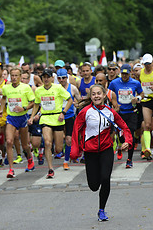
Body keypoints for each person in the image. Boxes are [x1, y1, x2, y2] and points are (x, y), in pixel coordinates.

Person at [70, 84, 132, 222]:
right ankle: (97, 188)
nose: (96, 96)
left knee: (105, 178)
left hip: (106, 149)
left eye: (99, 93)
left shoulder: (110, 112)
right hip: (90, 152)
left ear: (104, 95)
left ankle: (102, 210)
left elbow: (123, 127)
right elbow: (76, 132)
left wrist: (127, 140)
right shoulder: (84, 112)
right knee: (93, 186)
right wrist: (75, 151)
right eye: (94, 94)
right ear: (91, 96)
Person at [28, 69, 73, 178]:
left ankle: (57, 150)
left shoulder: (58, 88)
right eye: (44, 77)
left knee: (58, 148)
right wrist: (32, 117)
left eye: (48, 77)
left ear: (52, 78)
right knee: (47, 143)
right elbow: (36, 104)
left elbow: (70, 100)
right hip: (45, 119)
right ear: (42, 78)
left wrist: (63, 112)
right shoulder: (39, 90)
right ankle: (50, 168)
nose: (46, 79)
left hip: (57, 118)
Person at [0, 67, 36, 178]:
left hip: (23, 117)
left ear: (20, 77)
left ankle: (30, 159)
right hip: (11, 118)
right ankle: (11, 169)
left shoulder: (26, 88)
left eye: (16, 75)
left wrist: (23, 108)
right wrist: (2, 109)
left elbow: (33, 102)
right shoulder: (6, 88)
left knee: (25, 145)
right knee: (9, 141)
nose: (14, 78)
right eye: (12, 75)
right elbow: (4, 98)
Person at [108, 64, 144, 168]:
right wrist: (114, 104)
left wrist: (137, 98)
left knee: (130, 135)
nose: (124, 76)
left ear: (130, 73)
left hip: (131, 112)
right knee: (121, 136)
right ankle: (121, 146)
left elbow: (142, 94)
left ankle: (129, 159)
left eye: (126, 74)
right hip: (119, 113)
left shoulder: (135, 83)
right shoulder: (114, 83)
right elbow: (109, 94)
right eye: (123, 74)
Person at [55, 68, 81, 170]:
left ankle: (66, 161)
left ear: (67, 77)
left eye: (64, 78)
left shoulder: (73, 88)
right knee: (59, 143)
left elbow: (80, 102)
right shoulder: (55, 88)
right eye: (59, 78)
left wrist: (75, 103)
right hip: (57, 117)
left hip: (69, 116)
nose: (61, 80)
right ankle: (61, 152)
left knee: (69, 139)